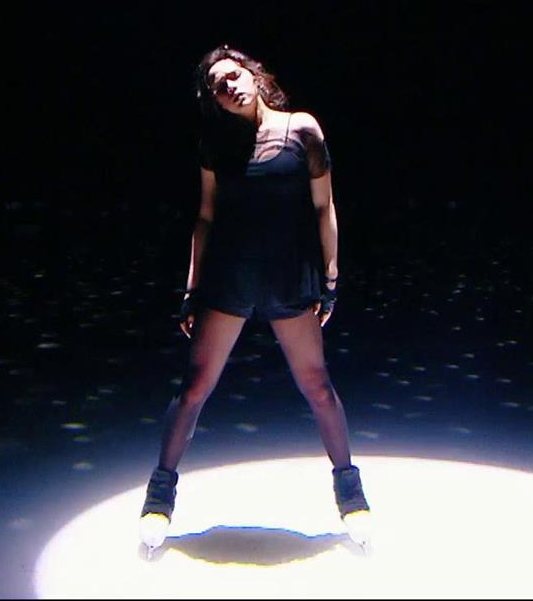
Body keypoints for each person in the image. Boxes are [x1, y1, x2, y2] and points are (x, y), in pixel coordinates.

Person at [138, 44, 371, 553]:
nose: (230, 86)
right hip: (230, 277)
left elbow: (324, 206)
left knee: (317, 385)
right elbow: (206, 217)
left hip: (289, 276)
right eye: (218, 86)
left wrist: (331, 276)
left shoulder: (302, 129)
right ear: (214, 101)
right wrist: (192, 289)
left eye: (234, 76)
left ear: (254, 76)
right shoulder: (215, 145)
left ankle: (352, 499)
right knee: (195, 388)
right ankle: (158, 501)